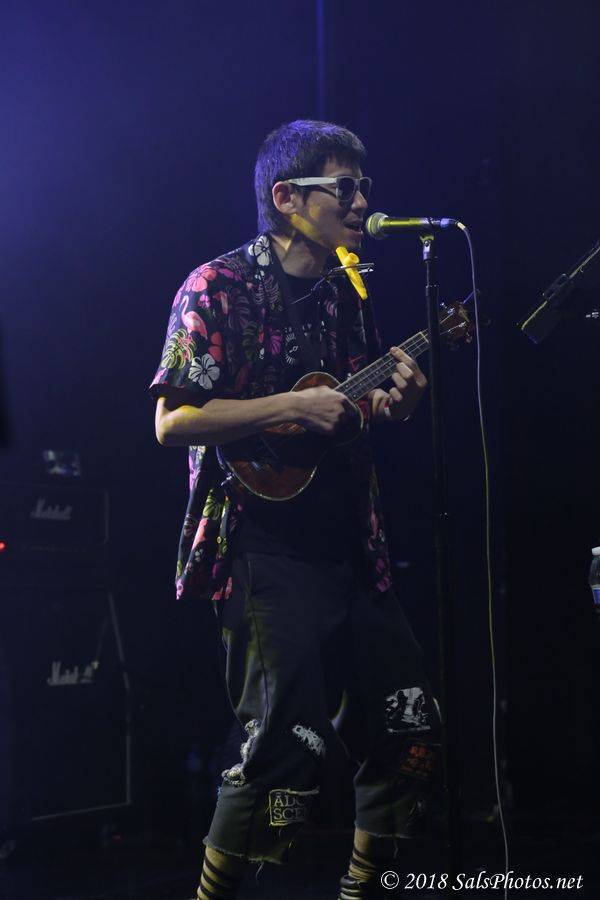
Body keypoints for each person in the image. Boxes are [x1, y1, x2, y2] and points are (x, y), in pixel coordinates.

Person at [150, 120, 441, 900]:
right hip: (262, 549)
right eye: (344, 187)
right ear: (286, 197)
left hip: (352, 546)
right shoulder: (218, 286)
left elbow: (355, 410)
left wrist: (399, 404)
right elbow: (173, 421)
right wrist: (288, 406)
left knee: (411, 730)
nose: (362, 201)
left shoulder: (349, 292)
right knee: (285, 749)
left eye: (364, 186)